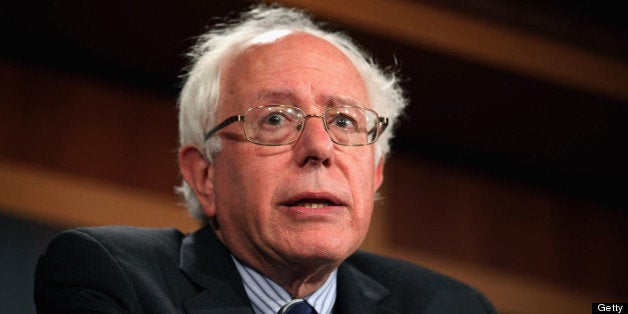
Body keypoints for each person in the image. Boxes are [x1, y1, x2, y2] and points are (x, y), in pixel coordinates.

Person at [34, 4, 496, 314]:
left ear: (375, 172)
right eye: (274, 119)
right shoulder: (112, 277)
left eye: (344, 122)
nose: (318, 148)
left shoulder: (451, 306)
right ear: (204, 174)